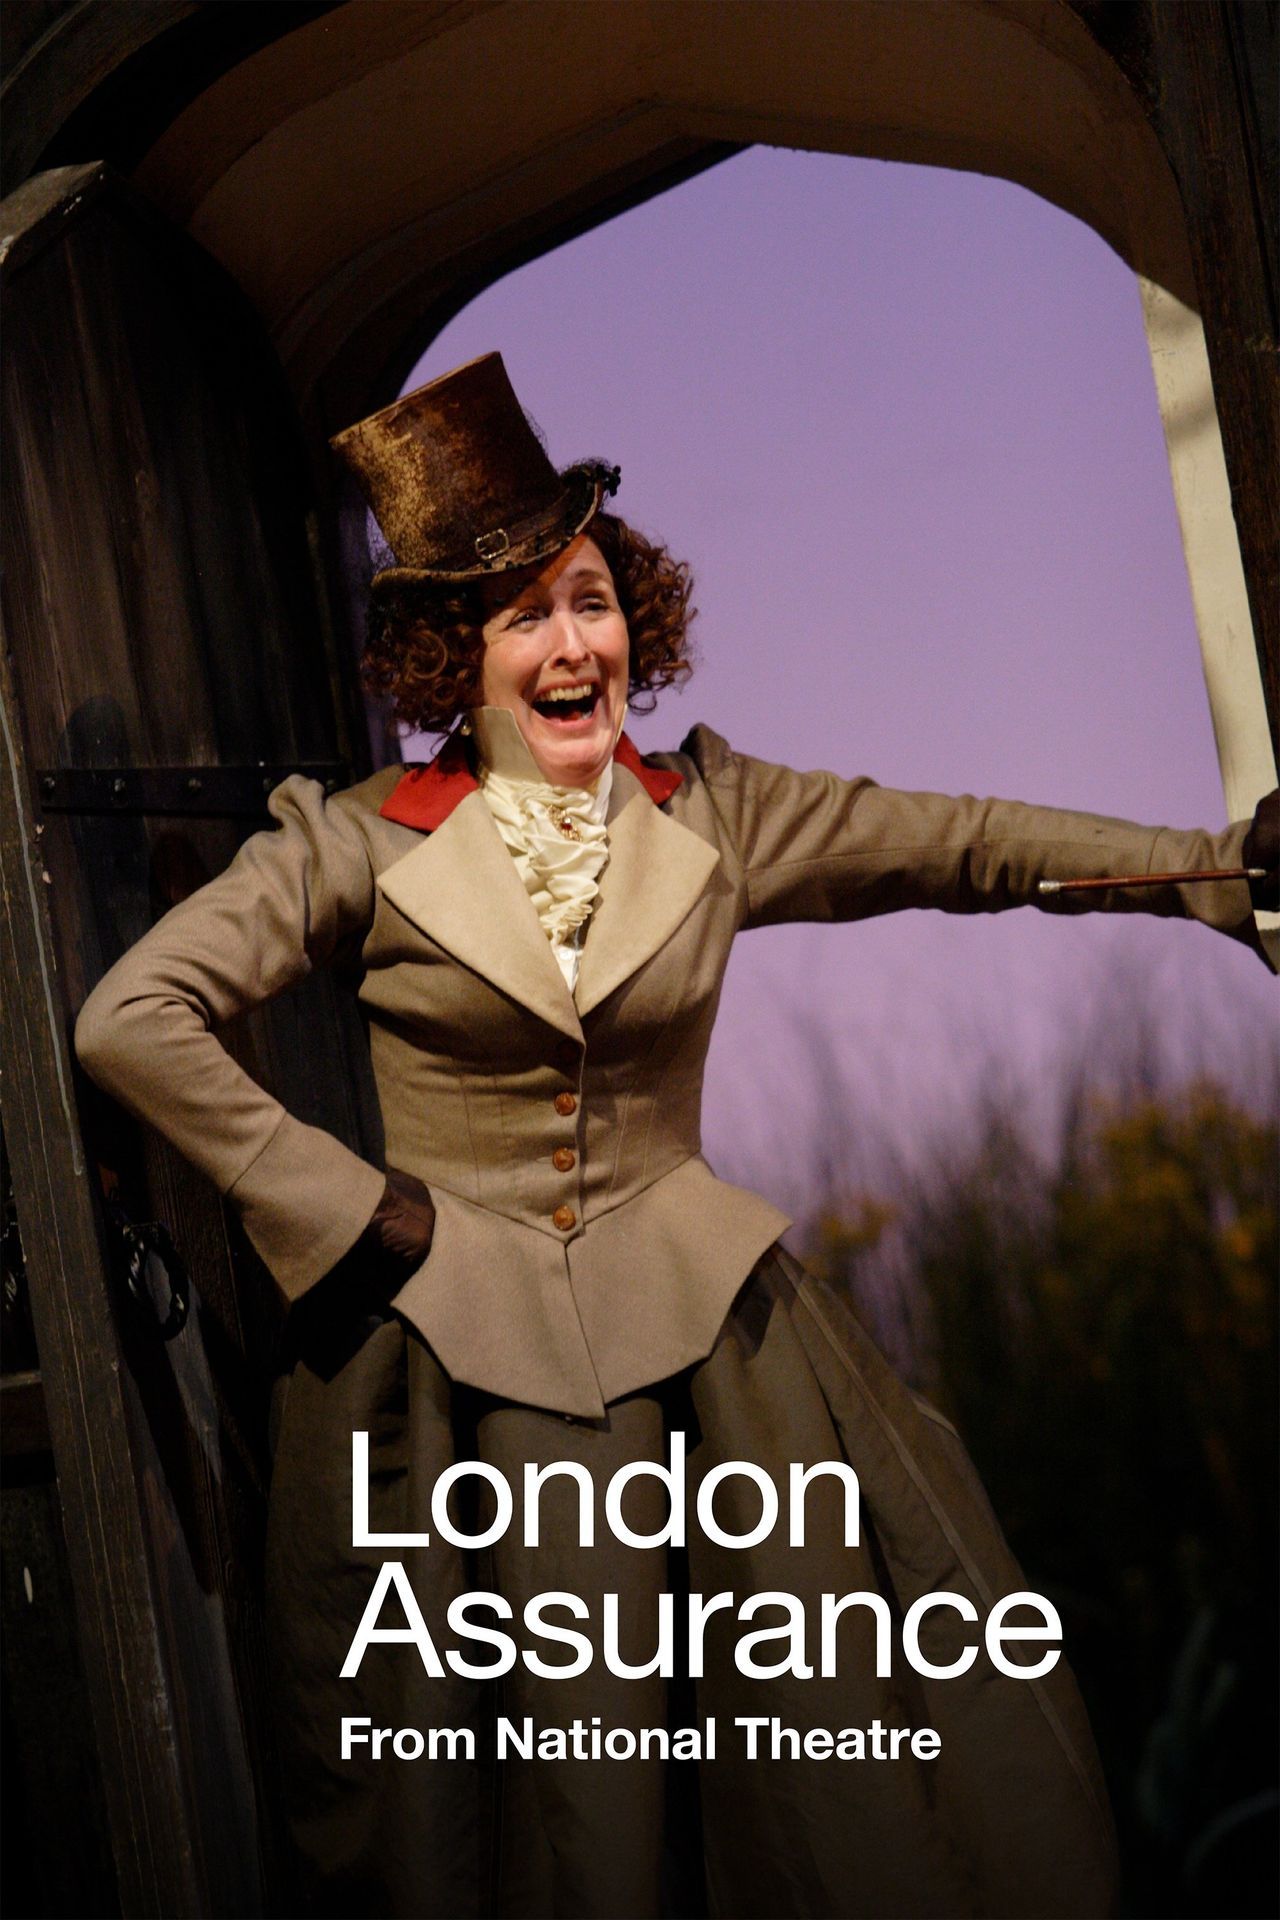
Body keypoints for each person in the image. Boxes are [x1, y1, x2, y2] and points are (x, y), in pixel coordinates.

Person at [73, 351, 1278, 1920]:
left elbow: (971, 846)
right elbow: (132, 1016)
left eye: (592, 602)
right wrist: (363, 1212)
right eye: (524, 618)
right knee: (537, 1804)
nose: (573, 645)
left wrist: (1218, 867)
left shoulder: (713, 812)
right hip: (457, 1383)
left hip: (716, 1358)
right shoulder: (355, 843)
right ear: (456, 660)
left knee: (842, 1756)